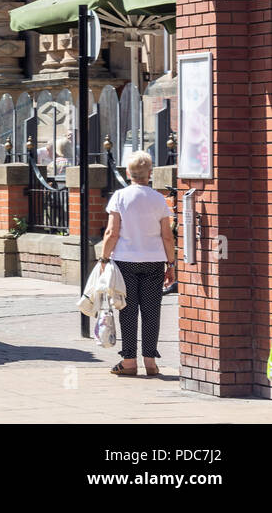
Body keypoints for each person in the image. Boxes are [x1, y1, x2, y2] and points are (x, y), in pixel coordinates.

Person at [101, 150, 176, 377]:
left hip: (125, 261)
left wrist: (104, 258)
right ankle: (151, 361)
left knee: (128, 310)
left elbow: (112, 232)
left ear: (127, 173)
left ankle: (129, 361)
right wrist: (170, 263)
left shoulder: (120, 197)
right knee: (152, 310)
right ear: (150, 173)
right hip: (154, 262)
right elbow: (167, 235)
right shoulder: (158, 199)